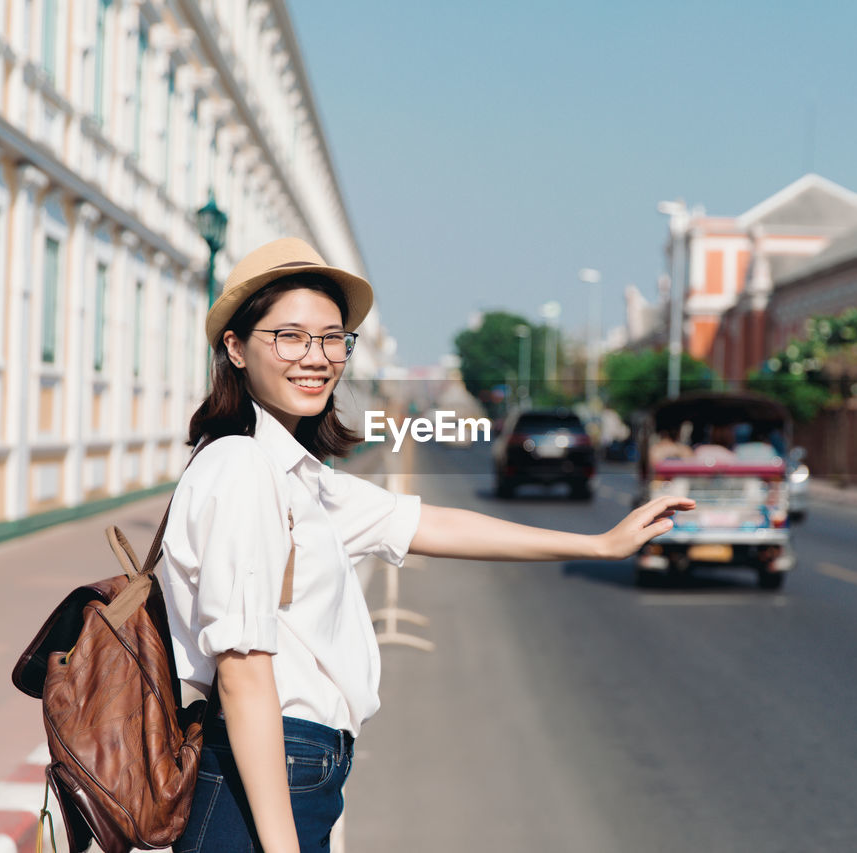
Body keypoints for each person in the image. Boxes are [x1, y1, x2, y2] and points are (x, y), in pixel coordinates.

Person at [159, 238, 693, 852]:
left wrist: (599, 544)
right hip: (265, 770)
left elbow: (430, 525)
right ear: (235, 346)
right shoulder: (244, 468)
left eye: (333, 338)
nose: (317, 357)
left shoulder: (297, 477)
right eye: (290, 336)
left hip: (296, 771)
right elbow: (244, 676)